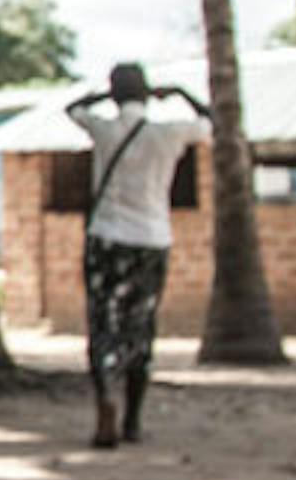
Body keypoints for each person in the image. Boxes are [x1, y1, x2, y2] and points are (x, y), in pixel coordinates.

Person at [66, 63, 212, 448]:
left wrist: (105, 96)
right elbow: (213, 120)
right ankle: (132, 420)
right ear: (148, 93)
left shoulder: (104, 130)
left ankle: (105, 400)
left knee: (103, 325)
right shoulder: (169, 134)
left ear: (115, 94)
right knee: (140, 326)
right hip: (151, 240)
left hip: (106, 240)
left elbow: (73, 108)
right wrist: (179, 92)